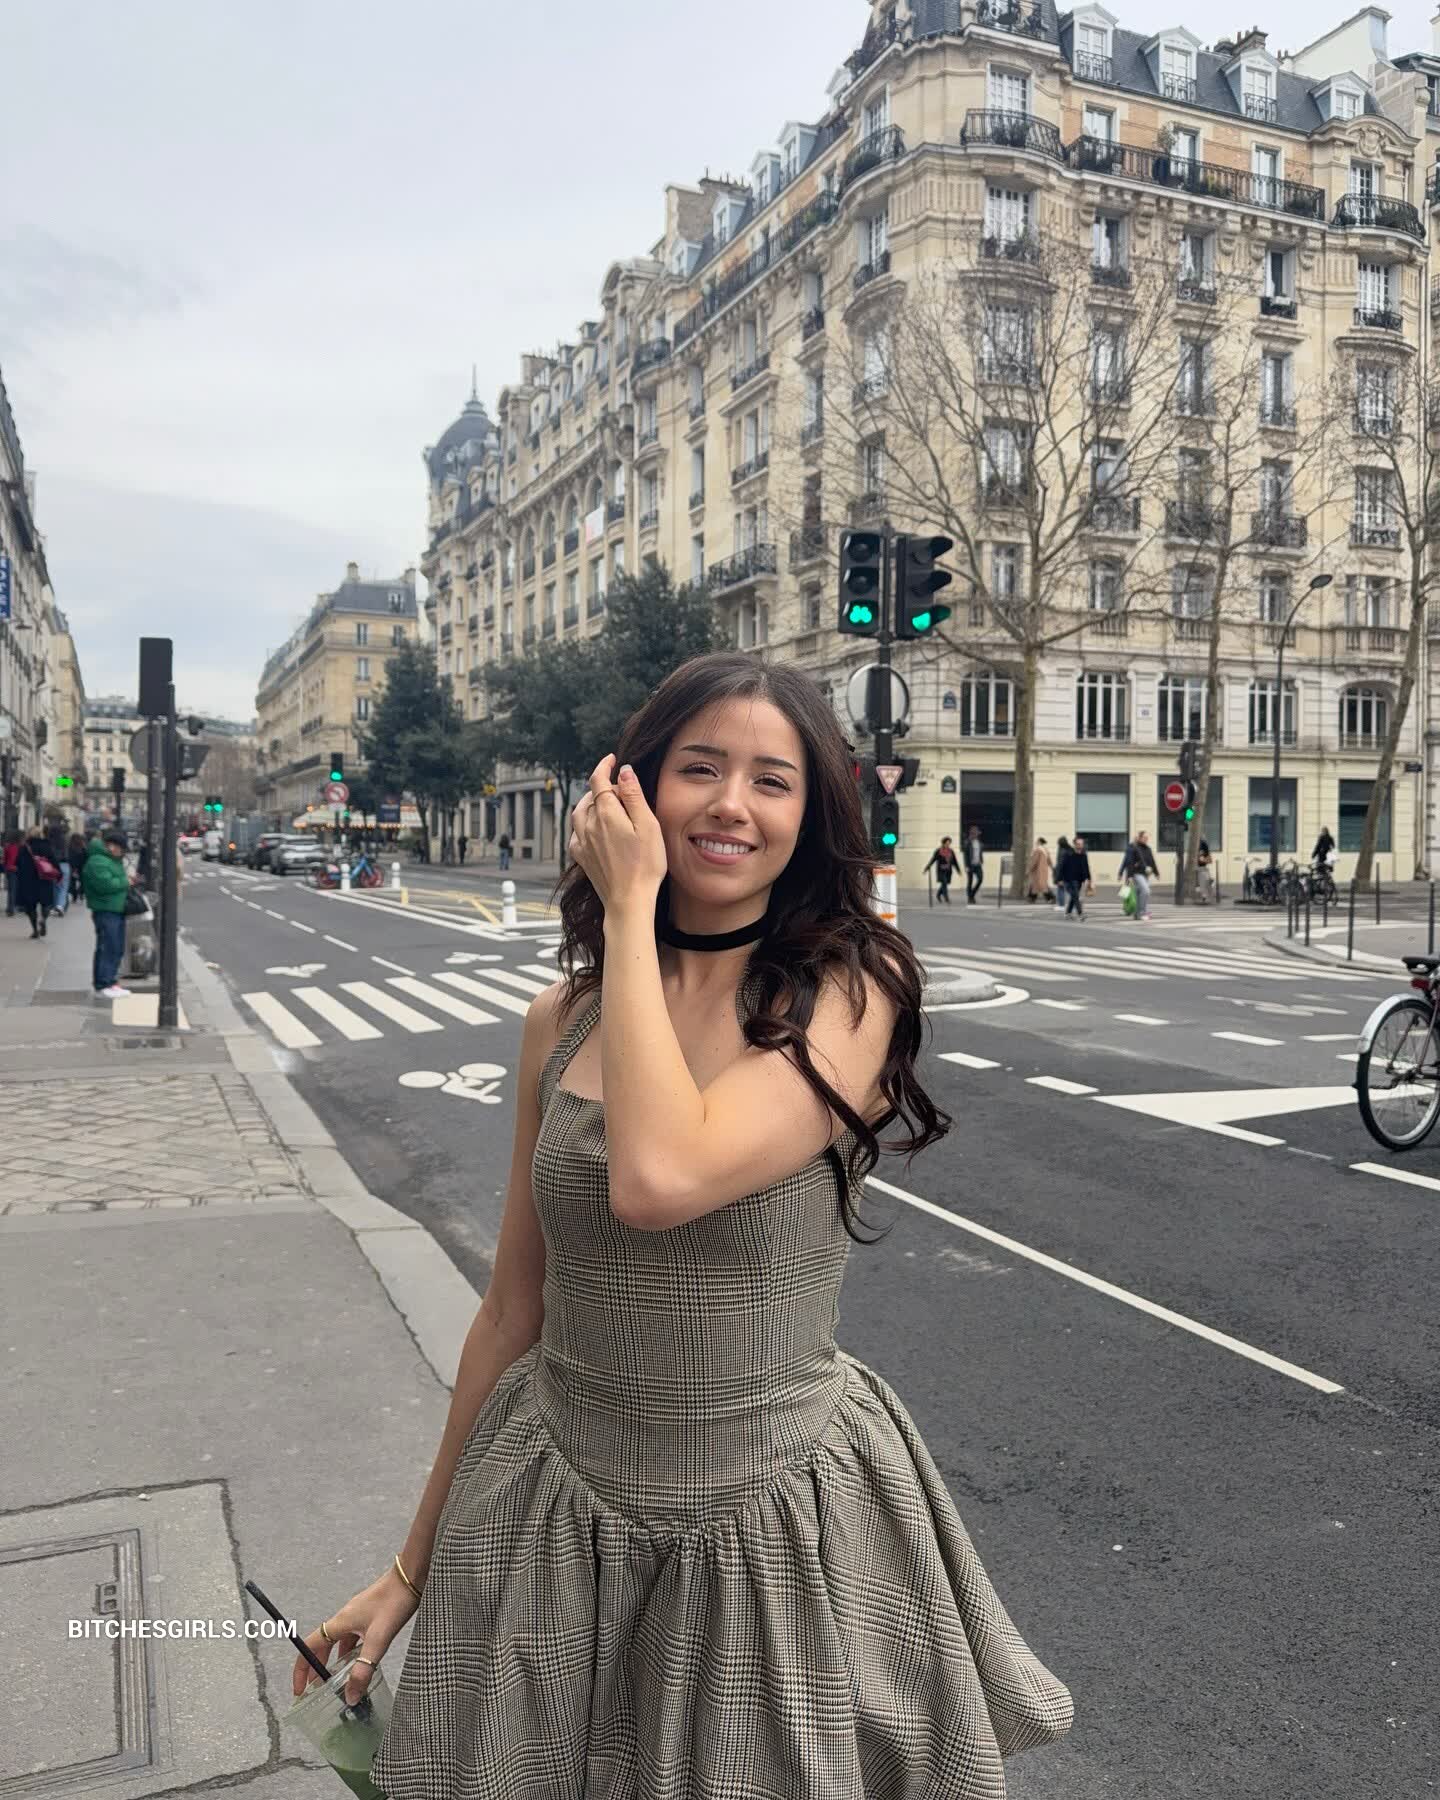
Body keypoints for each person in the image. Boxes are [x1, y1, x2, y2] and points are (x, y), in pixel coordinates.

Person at [304, 652, 1074, 1794]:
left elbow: (658, 1178)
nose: (731, 805)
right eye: (700, 768)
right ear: (635, 789)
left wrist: (627, 910)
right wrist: (408, 1569)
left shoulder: (851, 995)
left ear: (809, 818)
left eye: (772, 780)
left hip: (771, 1529)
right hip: (551, 1519)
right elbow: (511, 1309)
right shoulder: (561, 1019)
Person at [82, 829, 134, 998]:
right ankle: (104, 983)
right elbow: (105, 885)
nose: (122, 852)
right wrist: (126, 881)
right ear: (112, 846)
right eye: (121, 849)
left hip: (114, 908)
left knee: (115, 947)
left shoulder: (108, 860)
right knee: (108, 947)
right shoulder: (98, 861)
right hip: (106, 909)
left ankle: (110, 981)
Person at [14, 829, 58, 938]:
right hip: (44, 878)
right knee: (46, 903)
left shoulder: (24, 848)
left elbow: (17, 863)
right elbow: (54, 862)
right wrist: (58, 874)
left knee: (30, 906)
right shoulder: (47, 846)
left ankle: (35, 930)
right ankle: (43, 919)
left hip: (28, 880)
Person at [1118, 829, 1160, 922]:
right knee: (1146, 891)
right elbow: (1128, 861)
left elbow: (1152, 861)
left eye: (1147, 838)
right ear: (1139, 838)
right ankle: (1142, 912)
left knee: (1137, 893)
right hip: (1136, 873)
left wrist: (1156, 873)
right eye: (1144, 837)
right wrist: (1126, 874)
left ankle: (1137, 914)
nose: (1146, 839)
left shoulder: (1148, 849)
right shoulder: (1133, 848)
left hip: (1145, 874)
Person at [1058, 833, 1093, 918]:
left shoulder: (1083, 855)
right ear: (1075, 844)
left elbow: (1086, 867)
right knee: (1076, 896)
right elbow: (1062, 866)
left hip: (1079, 879)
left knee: (1074, 896)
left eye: (1081, 844)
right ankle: (1080, 913)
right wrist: (1059, 879)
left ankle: (1068, 913)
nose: (1080, 846)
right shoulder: (1068, 854)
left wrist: (1089, 878)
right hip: (1069, 879)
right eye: (1078, 844)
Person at [922, 834, 957, 902]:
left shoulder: (951, 851)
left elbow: (954, 861)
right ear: (943, 843)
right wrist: (927, 868)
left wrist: (958, 870)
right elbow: (933, 860)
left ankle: (938, 894)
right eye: (946, 843)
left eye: (949, 843)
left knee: (945, 883)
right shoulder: (938, 851)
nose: (948, 845)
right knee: (944, 883)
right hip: (941, 870)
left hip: (948, 870)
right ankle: (946, 898)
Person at [1026, 835, 1054, 903]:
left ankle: (1050, 898)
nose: (1036, 842)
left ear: (1039, 842)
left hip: (1038, 871)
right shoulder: (1045, 850)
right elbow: (1049, 861)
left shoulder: (1037, 850)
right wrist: (1052, 868)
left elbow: (1034, 861)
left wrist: (1029, 870)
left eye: (1037, 841)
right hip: (1044, 870)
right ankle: (1031, 898)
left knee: (1039, 885)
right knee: (1038, 885)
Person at [962, 823, 985, 903]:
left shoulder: (979, 842)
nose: (976, 834)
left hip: (978, 864)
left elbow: (980, 852)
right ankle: (970, 898)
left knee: (980, 879)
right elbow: (965, 855)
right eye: (974, 833)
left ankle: (972, 894)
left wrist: (981, 860)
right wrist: (966, 866)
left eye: (977, 833)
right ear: (972, 833)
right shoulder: (967, 842)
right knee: (970, 881)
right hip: (970, 865)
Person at [68, 834, 88, 908]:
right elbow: (86, 857)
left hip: (73, 867)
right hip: (82, 867)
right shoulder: (83, 847)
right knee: (82, 881)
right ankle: (81, 893)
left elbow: (69, 857)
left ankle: (74, 896)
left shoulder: (70, 847)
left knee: (73, 882)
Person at [2, 829, 20, 916]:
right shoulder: (19, 847)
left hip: (9, 869)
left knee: (10, 890)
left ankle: (9, 908)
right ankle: (12, 908)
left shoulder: (7, 846)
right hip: (17, 869)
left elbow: (5, 859)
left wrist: (5, 868)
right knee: (15, 889)